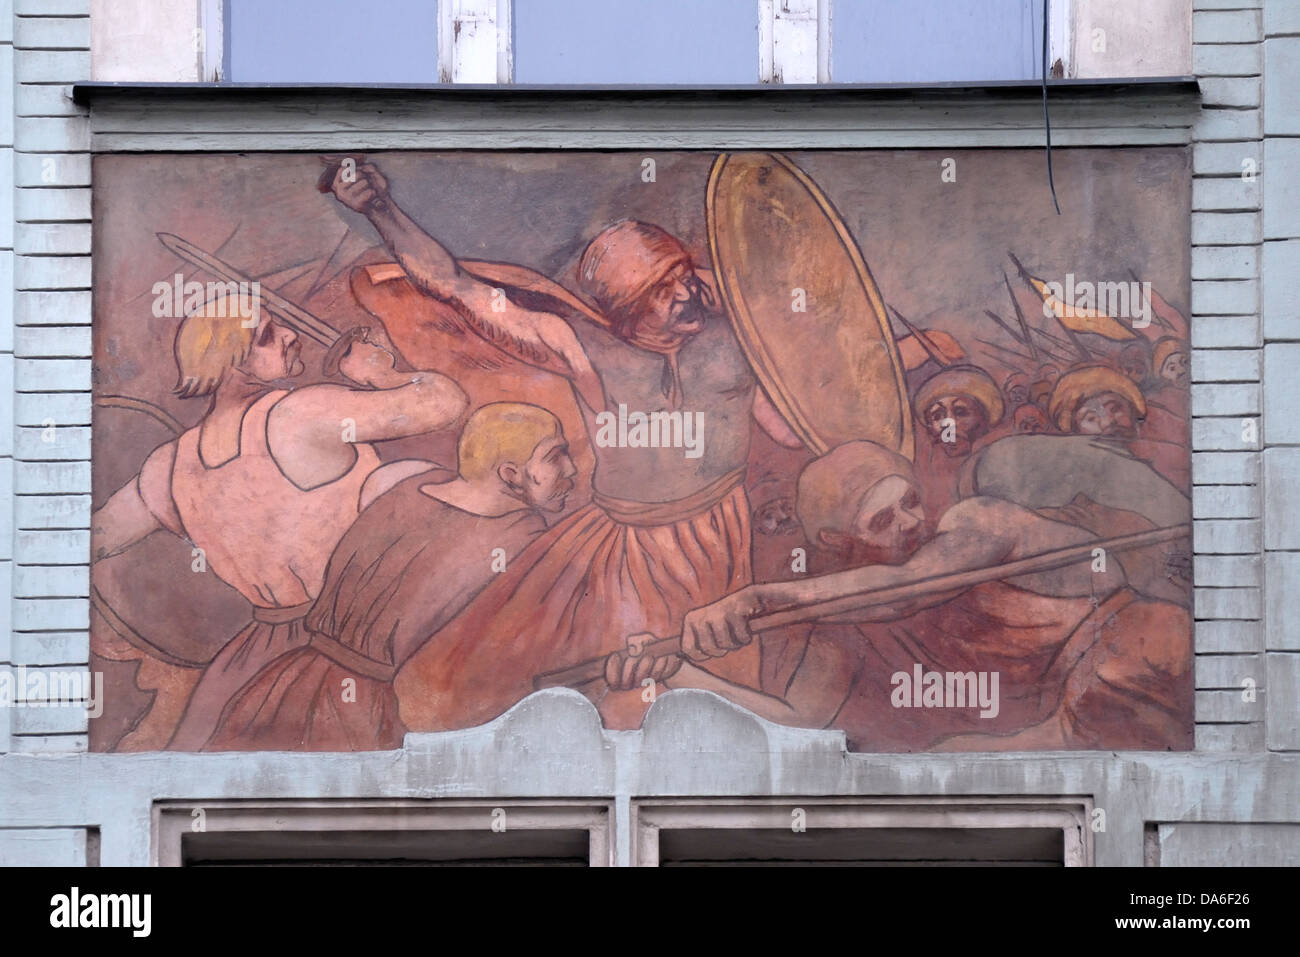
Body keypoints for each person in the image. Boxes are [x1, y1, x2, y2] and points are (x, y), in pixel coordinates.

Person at [327, 160, 806, 731]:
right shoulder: (582, 348)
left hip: (726, 535)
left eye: (683, 274)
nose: (685, 294)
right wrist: (377, 208)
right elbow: (455, 285)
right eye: (661, 291)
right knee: (628, 702)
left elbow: (792, 427)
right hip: (634, 550)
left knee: (723, 705)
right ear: (623, 312)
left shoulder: (737, 331)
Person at [609, 441, 1192, 751]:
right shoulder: (845, 619)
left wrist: (755, 599)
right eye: (881, 521)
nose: (910, 523)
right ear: (841, 542)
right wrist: (681, 674)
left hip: (1144, 651)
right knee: (949, 765)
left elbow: (904, 589)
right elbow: (799, 720)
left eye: (910, 500)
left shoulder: (976, 521)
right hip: (1080, 706)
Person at [91, 290, 468, 750]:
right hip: (351, 645)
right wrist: (383, 373)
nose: (290, 336)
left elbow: (95, 539)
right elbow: (446, 403)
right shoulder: (297, 415)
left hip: (255, 660)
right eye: (268, 336)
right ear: (229, 360)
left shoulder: (168, 468)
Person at [204, 403, 576, 751]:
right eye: (556, 456)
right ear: (510, 474)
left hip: (287, 684)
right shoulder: (526, 540)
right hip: (371, 713)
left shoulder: (411, 483)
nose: (571, 470)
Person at [1048, 363, 1187, 490]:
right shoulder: (1072, 478)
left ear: (1132, 409)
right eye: (1091, 418)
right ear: (1075, 430)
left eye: (1114, 409)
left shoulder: (1171, 461)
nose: (1108, 422)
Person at [909, 364, 1009, 524]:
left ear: (983, 419)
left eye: (961, 412)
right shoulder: (922, 476)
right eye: (937, 415)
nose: (949, 423)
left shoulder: (1000, 463)